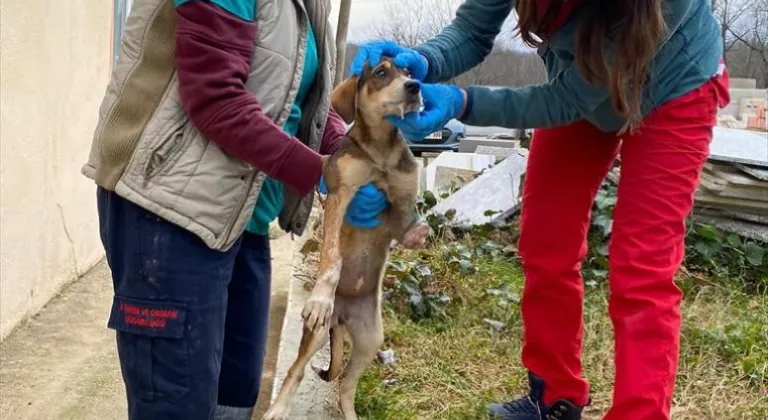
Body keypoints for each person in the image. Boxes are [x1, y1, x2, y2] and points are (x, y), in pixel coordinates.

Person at [351, 0, 729, 419]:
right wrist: (424, 59)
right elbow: (472, 32)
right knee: (547, 239)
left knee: (642, 266)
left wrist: (462, 102)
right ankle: (555, 397)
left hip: (673, 87)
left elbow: (565, 101)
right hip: (580, 79)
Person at [82, 1, 389, 419]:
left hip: (244, 216)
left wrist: (351, 154)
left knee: (235, 395)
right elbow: (215, 97)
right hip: (170, 213)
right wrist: (321, 171)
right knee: (177, 405)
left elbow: (306, 100)